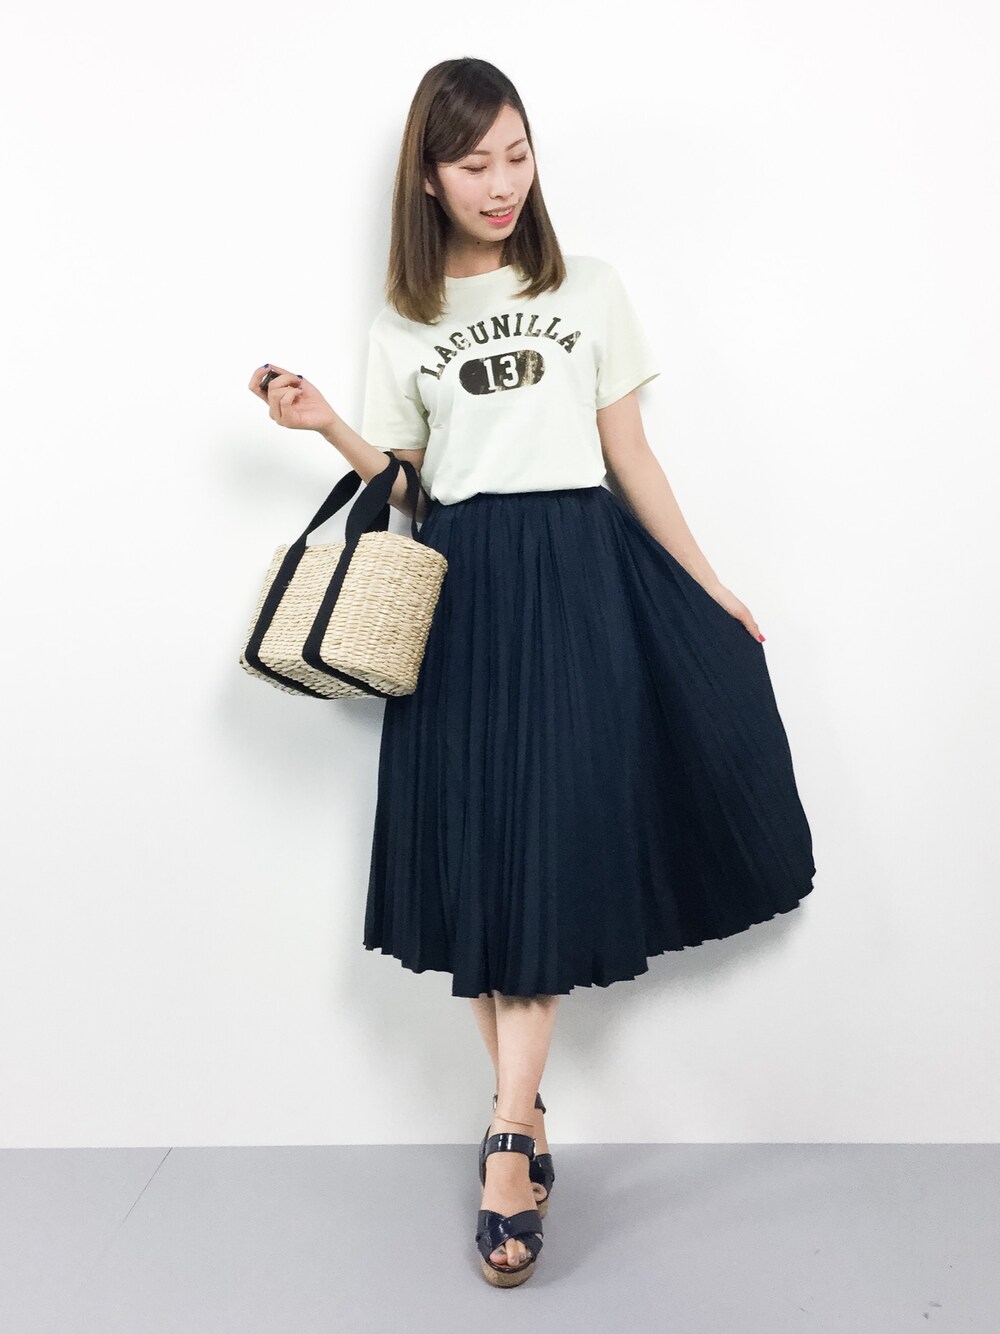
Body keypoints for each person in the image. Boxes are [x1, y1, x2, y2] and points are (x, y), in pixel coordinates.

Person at [247, 56, 816, 1288]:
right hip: (464, 589)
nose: (502, 181)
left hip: (580, 574)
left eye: (517, 153)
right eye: (474, 163)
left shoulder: (587, 287)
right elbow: (409, 486)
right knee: (482, 857)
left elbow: (631, 455)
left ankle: (508, 1134)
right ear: (429, 177)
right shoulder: (402, 322)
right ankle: (525, 1111)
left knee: (546, 847)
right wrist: (326, 425)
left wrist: (709, 583)